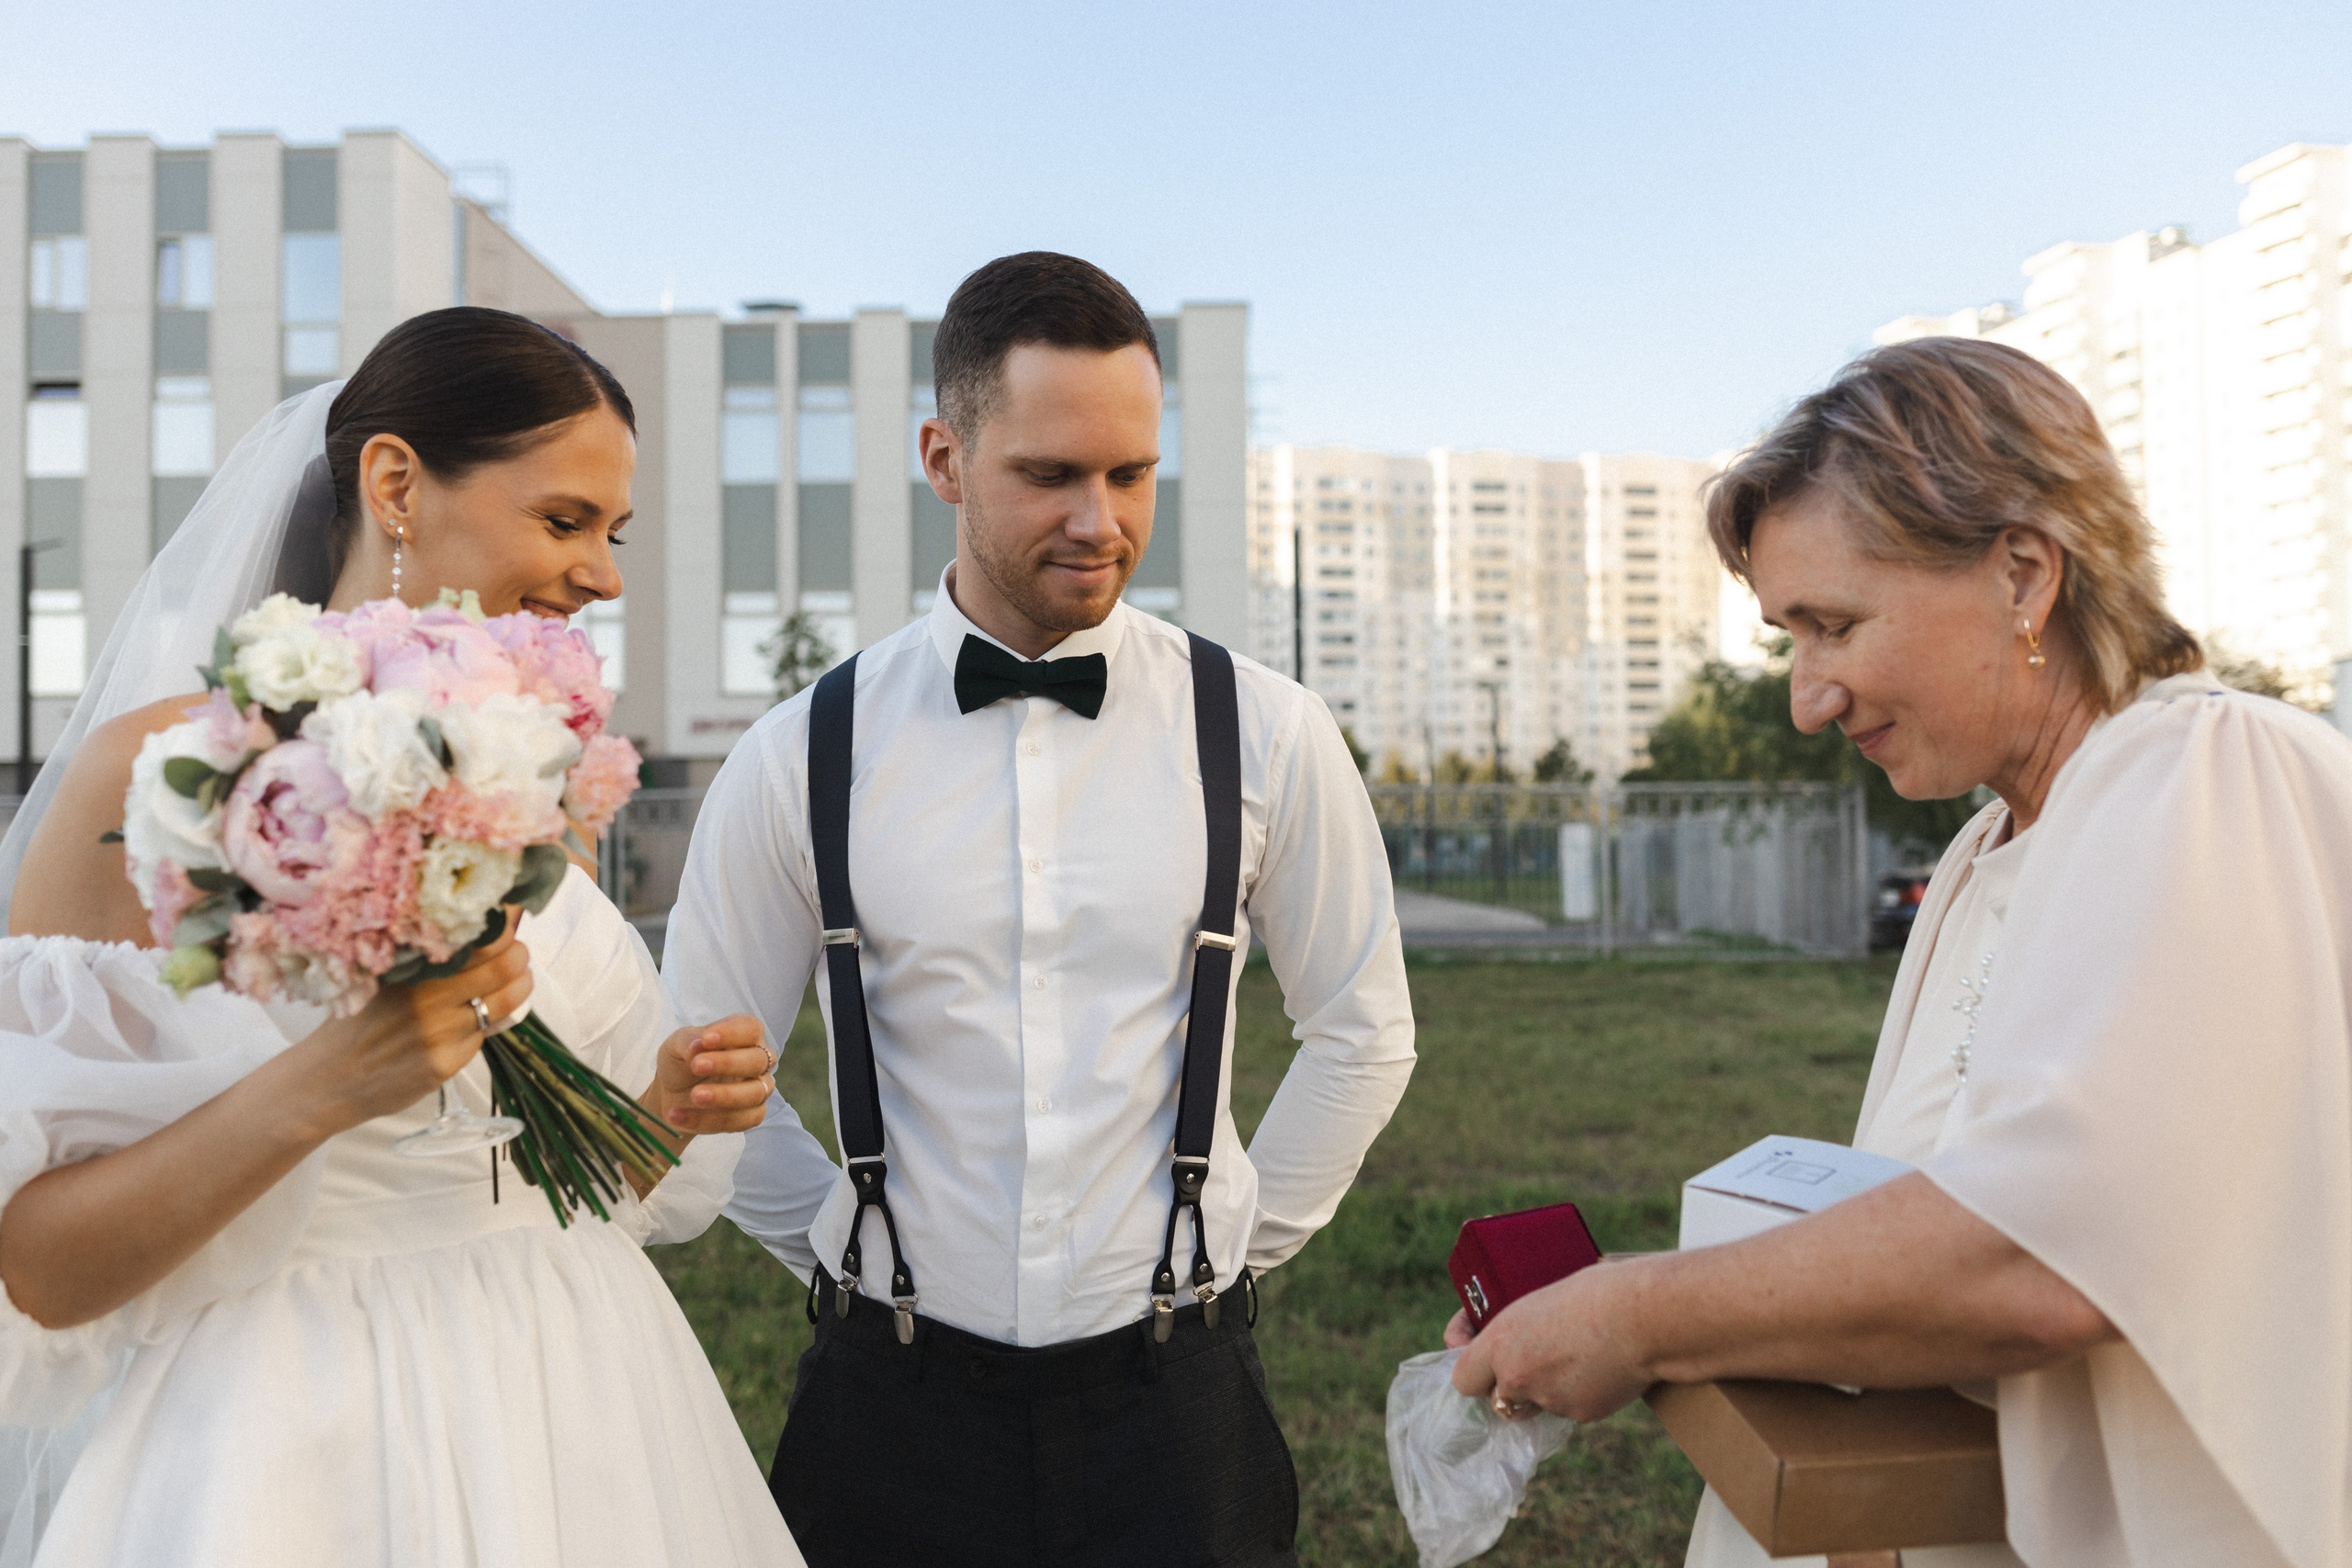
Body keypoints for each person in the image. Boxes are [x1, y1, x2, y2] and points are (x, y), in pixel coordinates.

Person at [1449, 337, 2351, 1568]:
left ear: (2023, 575)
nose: (1806, 699)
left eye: (1833, 625)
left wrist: (1638, 1315)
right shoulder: (1988, 848)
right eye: (1789, 639)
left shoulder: (2203, 773)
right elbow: (1938, 1241)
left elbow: (2037, 1259)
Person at [0, 309, 801, 1566]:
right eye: (565, 520)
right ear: (395, 485)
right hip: (297, 1441)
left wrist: (658, 1112)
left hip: (583, 1404)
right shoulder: (160, 779)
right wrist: (320, 1088)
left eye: (614, 532)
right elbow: (38, 1270)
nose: (604, 575)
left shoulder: (538, 781)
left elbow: (542, 1186)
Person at [662, 252, 1417, 1568]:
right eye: (1052, 475)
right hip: (886, 1413)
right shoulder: (799, 752)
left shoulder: (1270, 732)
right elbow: (711, 1069)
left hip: (1179, 1412)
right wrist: (851, 1253)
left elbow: (1363, 1032)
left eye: (1131, 474)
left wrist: (1227, 1248)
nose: (1101, 518)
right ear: (945, 460)